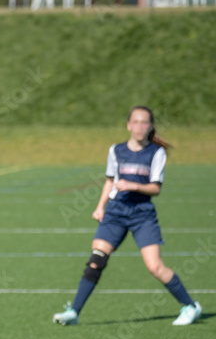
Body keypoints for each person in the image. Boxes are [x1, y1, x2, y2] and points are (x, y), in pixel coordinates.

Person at [53, 106, 201, 326]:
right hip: (115, 212)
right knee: (96, 260)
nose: (140, 127)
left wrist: (132, 185)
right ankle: (73, 312)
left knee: (155, 267)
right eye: (136, 122)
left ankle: (190, 306)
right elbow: (110, 180)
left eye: (144, 122)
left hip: (142, 214)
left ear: (150, 126)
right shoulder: (116, 150)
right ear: (128, 125)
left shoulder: (156, 153)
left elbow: (155, 188)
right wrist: (100, 206)